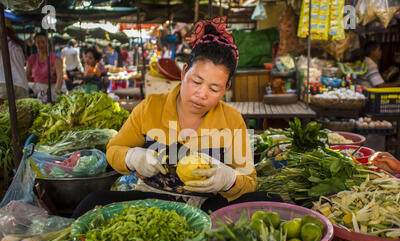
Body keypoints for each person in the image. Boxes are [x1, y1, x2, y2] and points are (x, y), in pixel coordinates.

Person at [73, 17, 282, 219]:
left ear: (226, 88)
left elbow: (249, 181)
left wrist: (228, 180)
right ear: (184, 73)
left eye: (214, 88)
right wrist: (133, 157)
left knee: (269, 200)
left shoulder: (232, 119)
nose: (202, 94)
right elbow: (113, 150)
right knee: (90, 203)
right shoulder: (150, 107)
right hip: (151, 200)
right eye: (196, 82)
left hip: (207, 205)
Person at [26, 31, 65, 99]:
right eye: (38, 42)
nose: (41, 45)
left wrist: (56, 93)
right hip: (39, 90)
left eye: (43, 42)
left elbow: (60, 77)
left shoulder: (55, 58)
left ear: (48, 43)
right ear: (35, 44)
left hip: (53, 88)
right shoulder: (32, 59)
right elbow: (26, 76)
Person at [0, 20, 29, 102]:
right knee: (20, 114)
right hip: (21, 84)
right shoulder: (17, 45)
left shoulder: (3, 42)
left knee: (3, 113)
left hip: (3, 83)